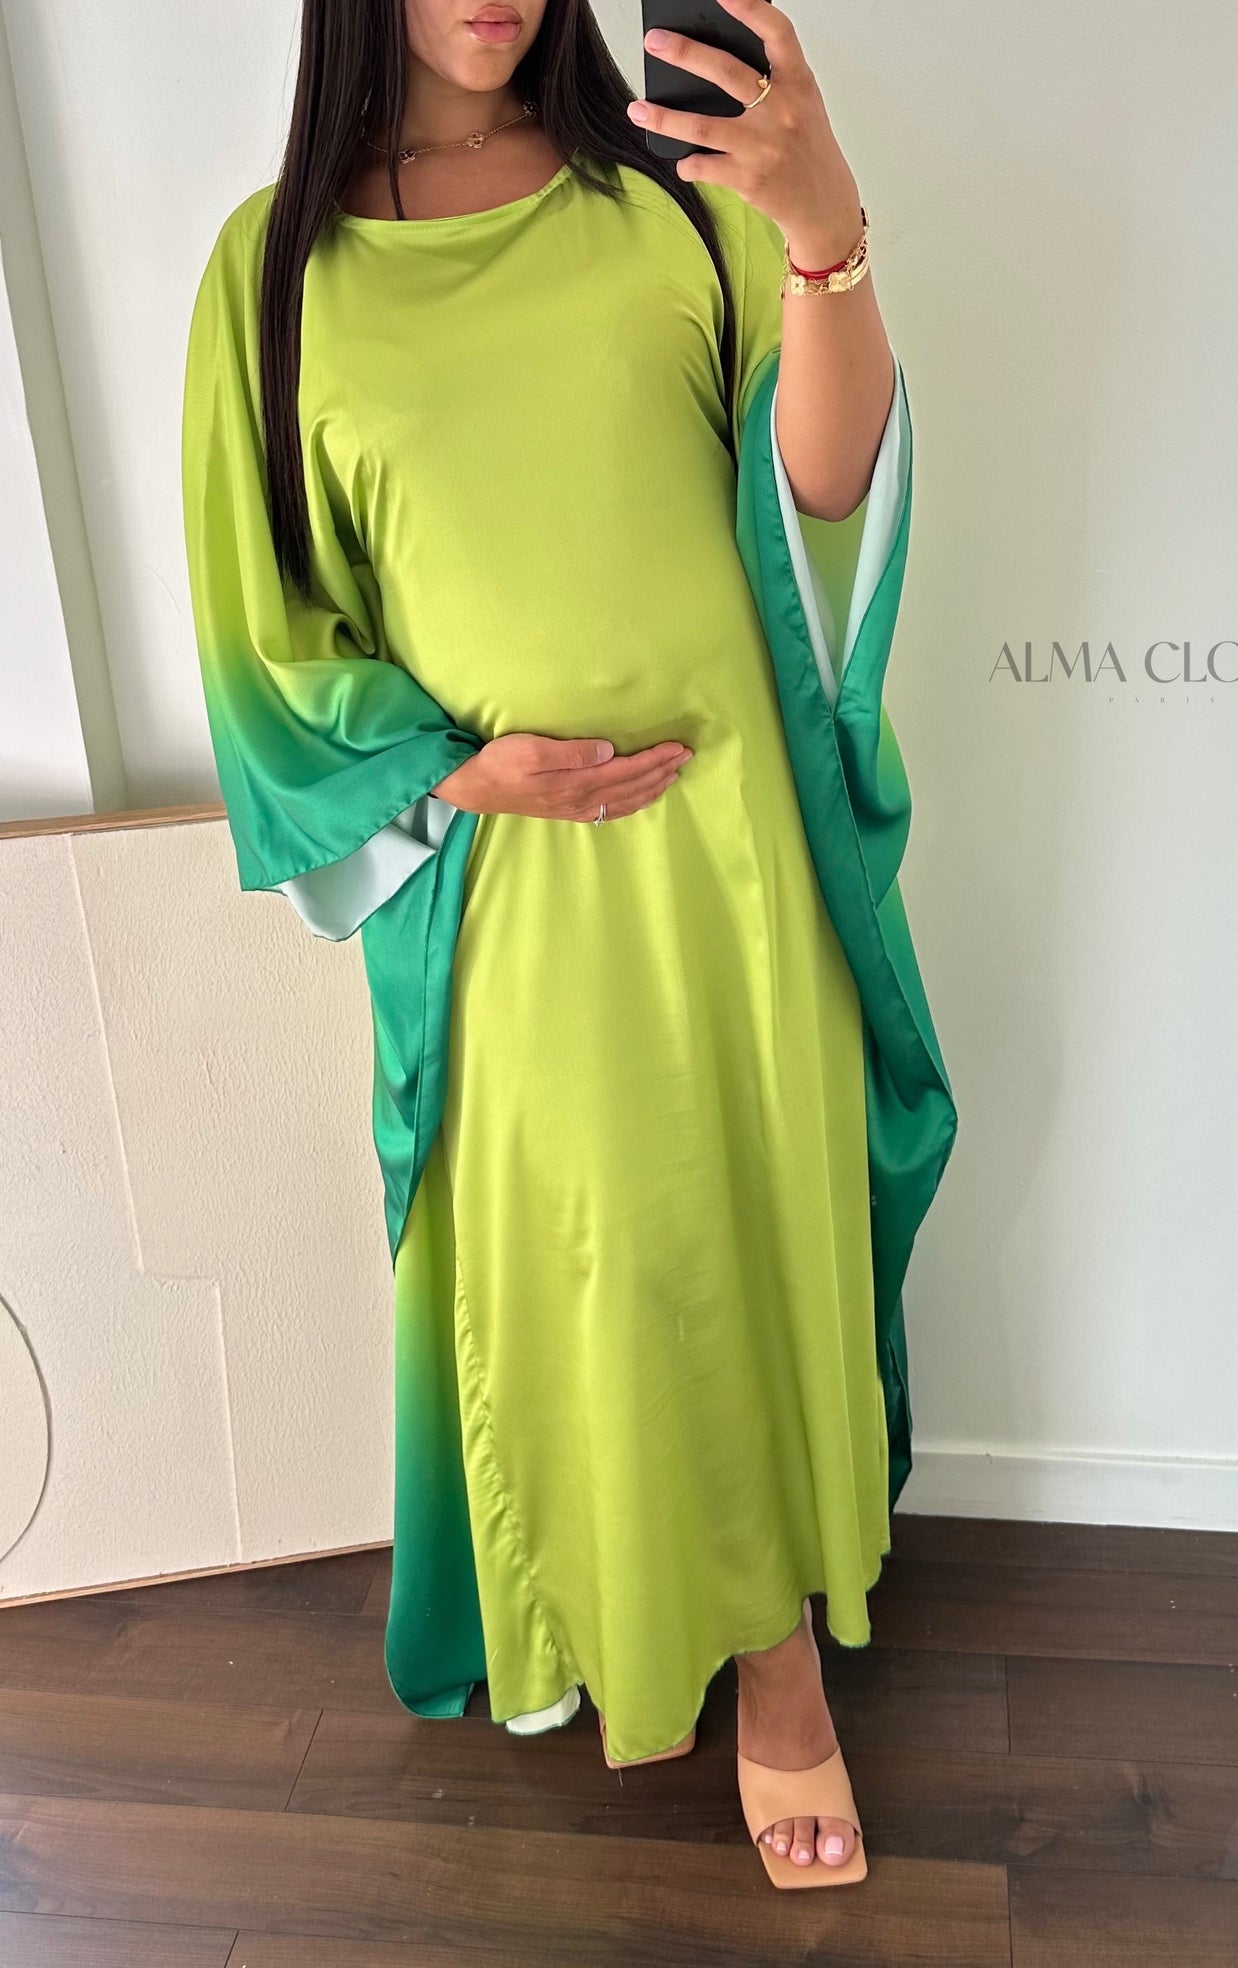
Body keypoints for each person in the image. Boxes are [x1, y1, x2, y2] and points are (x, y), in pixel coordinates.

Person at [180, 0, 954, 1892]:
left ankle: (779, 1665)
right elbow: (267, 642)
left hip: (737, 846)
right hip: (503, 884)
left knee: (748, 1230)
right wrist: (454, 772)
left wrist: (822, 230)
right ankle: (611, 1611)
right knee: (589, 1265)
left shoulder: (670, 201)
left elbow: (825, 490)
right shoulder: (273, 274)